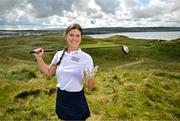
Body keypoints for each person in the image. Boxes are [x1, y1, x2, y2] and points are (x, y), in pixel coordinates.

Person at [33, 23, 97, 120]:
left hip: (76, 98)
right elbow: (48, 72)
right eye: (71, 35)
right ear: (66, 36)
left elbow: (90, 87)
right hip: (61, 96)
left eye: (77, 35)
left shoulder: (86, 58)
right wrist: (39, 58)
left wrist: (90, 77)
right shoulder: (59, 54)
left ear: (81, 38)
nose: (74, 38)